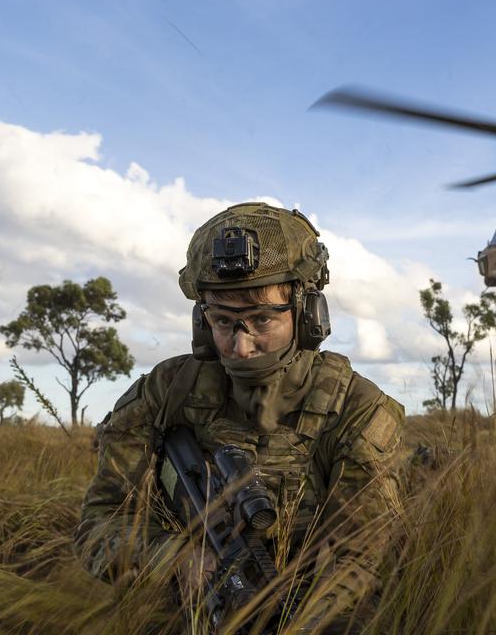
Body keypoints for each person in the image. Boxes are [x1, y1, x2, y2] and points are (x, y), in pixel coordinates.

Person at [73, 202, 405, 630]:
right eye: (224, 321)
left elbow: (367, 560)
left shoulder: (355, 410)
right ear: (201, 321)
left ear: (307, 314)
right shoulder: (167, 391)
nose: (240, 345)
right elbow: (100, 520)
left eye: (262, 319)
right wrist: (172, 558)